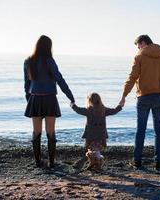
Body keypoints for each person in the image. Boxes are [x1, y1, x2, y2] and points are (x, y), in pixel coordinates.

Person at [119, 35, 160, 170]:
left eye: (138, 46)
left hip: (144, 97)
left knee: (141, 130)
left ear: (143, 43)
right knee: (159, 131)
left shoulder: (140, 56)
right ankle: (158, 162)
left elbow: (132, 77)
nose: (138, 49)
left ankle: (137, 161)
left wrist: (124, 95)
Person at [24, 35, 75, 168]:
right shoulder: (49, 61)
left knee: (36, 132)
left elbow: (26, 83)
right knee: (50, 132)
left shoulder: (28, 61)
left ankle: (37, 162)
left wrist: (28, 98)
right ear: (49, 47)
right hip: (49, 98)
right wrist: (70, 96)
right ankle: (52, 163)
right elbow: (60, 79)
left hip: (35, 98)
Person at [70, 92, 122, 170]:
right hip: (101, 135)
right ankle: (96, 163)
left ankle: (95, 162)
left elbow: (78, 110)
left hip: (90, 135)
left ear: (89, 101)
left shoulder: (88, 110)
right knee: (96, 150)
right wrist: (120, 105)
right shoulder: (103, 110)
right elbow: (114, 111)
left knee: (89, 151)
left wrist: (72, 104)